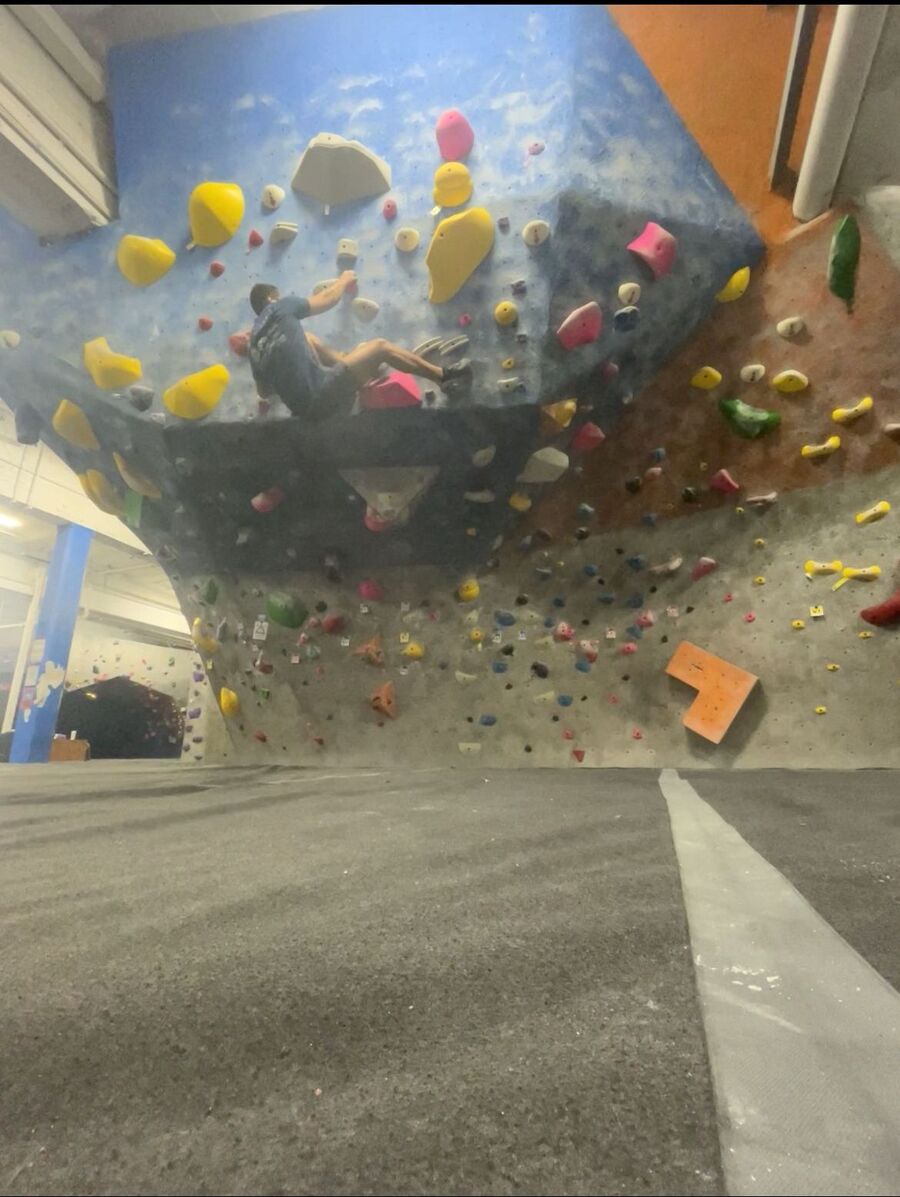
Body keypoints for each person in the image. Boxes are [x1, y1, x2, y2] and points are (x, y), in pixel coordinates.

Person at [248, 273, 472, 419]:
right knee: (380, 347)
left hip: (307, 414)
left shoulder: (255, 344)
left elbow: (264, 391)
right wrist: (344, 279)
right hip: (324, 394)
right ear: (271, 298)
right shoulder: (279, 308)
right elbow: (327, 298)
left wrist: (291, 373)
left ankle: (349, 362)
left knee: (308, 338)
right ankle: (445, 377)